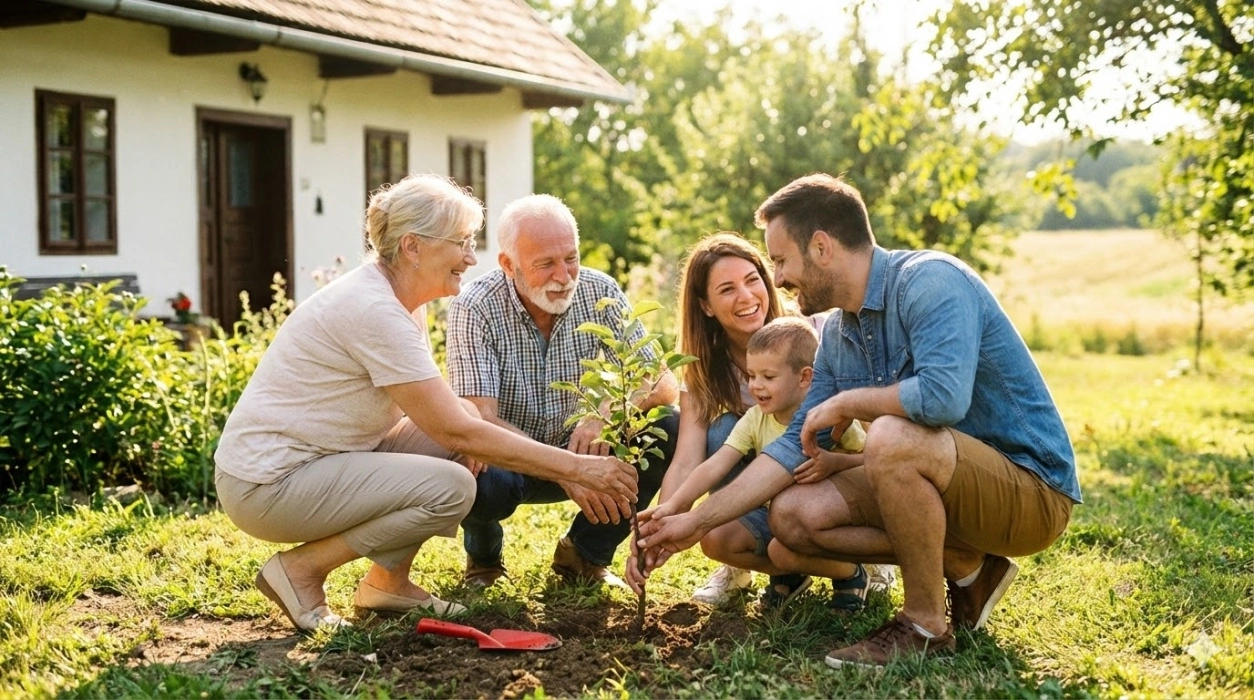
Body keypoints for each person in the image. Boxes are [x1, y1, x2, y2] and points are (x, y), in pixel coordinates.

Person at [637, 173, 1079, 669]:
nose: (777, 280)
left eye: (780, 261)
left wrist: (850, 403)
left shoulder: (930, 281)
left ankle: (925, 626)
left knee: (891, 433)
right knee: (793, 514)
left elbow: (943, 399)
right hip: (949, 482)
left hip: (1029, 490)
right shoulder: (839, 336)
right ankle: (967, 565)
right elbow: (788, 449)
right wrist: (693, 522)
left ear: (821, 247)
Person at [214, 175, 638, 632]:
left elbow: (455, 420)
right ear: (412, 247)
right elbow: (455, 431)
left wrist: (472, 430)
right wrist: (576, 468)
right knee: (451, 486)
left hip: (322, 460)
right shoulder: (374, 309)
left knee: (465, 424)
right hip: (268, 483)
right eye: (461, 243)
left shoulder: (401, 300)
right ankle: (301, 571)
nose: (470, 258)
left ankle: (388, 583)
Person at [641, 232, 894, 606]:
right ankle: (779, 568)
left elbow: (873, 435)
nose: (746, 297)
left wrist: (842, 464)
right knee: (722, 432)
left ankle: (866, 556)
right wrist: (661, 523)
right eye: (727, 289)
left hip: (832, 476)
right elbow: (688, 460)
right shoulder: (707, 368)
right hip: (766, 492)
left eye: (752, 280)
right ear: (706, 306)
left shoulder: (815, 333)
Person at [446, 194, 679, 589]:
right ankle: (484, 558)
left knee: (665, 425)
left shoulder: (600, 291)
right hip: (512, 460)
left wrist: (604, 413)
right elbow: (480, 417)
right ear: (508, 264)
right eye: (546, 264)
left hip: (586, 449)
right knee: (475, 468)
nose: (564, 275)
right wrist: (567, 469)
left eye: (571, 258)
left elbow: (661, 380)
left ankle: (584, 555)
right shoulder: (475, 306)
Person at [638, 317, 869, 610]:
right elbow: (715, 465)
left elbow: (869, 461)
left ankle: (850, 574)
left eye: (768, 377)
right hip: (774, 516)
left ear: (804, 377)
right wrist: (672, 506)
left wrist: (835, 462)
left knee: (782, 551)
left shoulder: (828, 419)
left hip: (822, 519)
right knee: (715, 539)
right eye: (751, 375)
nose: (756, 386)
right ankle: (791, 575)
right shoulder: (755, 418)